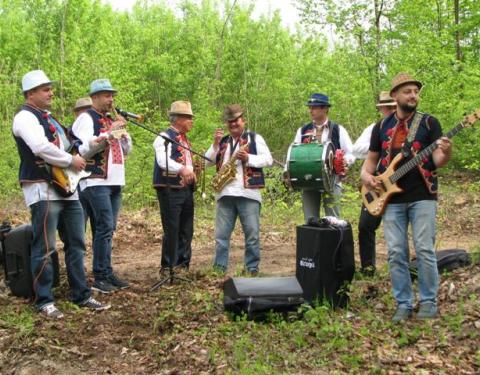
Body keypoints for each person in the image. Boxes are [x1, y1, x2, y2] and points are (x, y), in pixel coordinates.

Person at [12, 70, 109, 318]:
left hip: (67, 187)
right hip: (42, 187)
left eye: (50, 88)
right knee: (45, 246)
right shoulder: (24, 117)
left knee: (76, 243)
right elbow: (40, 147)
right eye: (45, 89)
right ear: (30, 93)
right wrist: (70, 160)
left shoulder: (50, 119)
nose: (51, 92)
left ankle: (82, 294)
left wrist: (99, 142)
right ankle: (44, 300)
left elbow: (73, 149)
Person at [361, 72, 452, 322]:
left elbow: (437, 161)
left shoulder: (429, 123)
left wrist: (446, 151)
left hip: (423, 196)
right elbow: (369, 163)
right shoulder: (381, 127)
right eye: (407, 91)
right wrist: (367, 178)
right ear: (395, 96)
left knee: (424, 249)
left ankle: (428, 301)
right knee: (396, 252)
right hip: (391, 200)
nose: (413, 95)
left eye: (415, 91)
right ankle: (403, 303)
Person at [72, 79, 132, 293]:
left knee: (108, 228)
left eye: (112, 95)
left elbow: (126, 150)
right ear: (95, 97)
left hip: (114, 181)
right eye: (107, 95)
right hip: (95, 180)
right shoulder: (86, 119)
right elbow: (84, 148)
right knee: (103, 227)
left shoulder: (109, 119)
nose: (111, 99)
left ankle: (107, 272)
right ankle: (99, 276)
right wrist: (109, 132)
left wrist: (123, 134)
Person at [205, 104, 273, 274]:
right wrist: (214, 144)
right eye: (230, 122)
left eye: (236, 121)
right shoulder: (223, 142)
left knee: (252, 236)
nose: (233, 124)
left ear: (244, 121)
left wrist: (248, 157)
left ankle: (251, 269)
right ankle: (219, 269)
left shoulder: (255, 138)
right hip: (225, 194)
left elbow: (268, 160)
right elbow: (206, 162)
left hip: (248, 193)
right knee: (221, 237)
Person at [290, 93, 355, 221]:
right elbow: (294, 154)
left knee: (333, 221)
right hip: (308, 181)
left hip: (332, 181)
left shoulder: (338, 129)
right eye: (310, 107)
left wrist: (343, 162)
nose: (311, 110)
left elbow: (351, 153)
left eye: (314, 107)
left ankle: (333, 241)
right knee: (310, 221)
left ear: (325, 108)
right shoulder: (302, 131)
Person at [353, 91, 396, 275]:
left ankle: (400, 269)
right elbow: (356, 149)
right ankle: (368, 268)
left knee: (396, 227)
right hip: (376, 182)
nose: (391, 110)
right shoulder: (374, 128)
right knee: (365, 226)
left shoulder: (408, 128)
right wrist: (376, 146)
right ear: (382, 109)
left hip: (399, 183)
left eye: (393, 107)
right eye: (387, 108)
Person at [153, 101, 196, 272]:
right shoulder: (163, 137)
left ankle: (183, 265)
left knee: (186, 229)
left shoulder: (185, 140)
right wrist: (182, 169)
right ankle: (169, 266)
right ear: (177, 119)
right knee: (172, 228)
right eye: (188, 118)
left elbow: (188, 163)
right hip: (169, 188)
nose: (191, 121)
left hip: (186, 189)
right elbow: (162, 161)